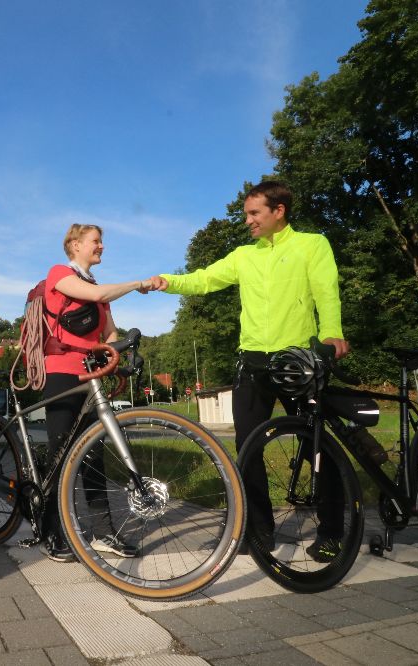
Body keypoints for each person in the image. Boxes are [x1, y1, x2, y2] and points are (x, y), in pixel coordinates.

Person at [146, 180, 351, 562]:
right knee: (248, 448)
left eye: (254, 213)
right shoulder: (244, 255)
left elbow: (327, 290)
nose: (248, 221)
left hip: (298, 361)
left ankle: (332, 531)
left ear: (279, 211)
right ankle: (258, 531)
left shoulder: (312, 244)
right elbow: (205, 278)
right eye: (246, 215)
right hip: (253, 363)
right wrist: (167, 281)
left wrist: (332, 333)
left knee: (316, 446)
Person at [40, 223, 150, 562]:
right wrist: (138, 284)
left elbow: (108, 331)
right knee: (62, 455)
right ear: (75, 245)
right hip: (61, 373)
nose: (101, 246)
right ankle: (54, 532)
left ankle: (103, 533)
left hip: (91, 375)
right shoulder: (59, 274)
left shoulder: (94, 286)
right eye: (96, 241)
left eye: (102, 242)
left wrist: (121, 351)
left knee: (93, 456)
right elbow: (99, 297)